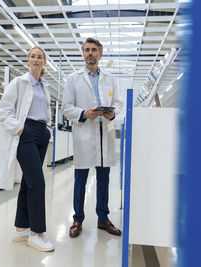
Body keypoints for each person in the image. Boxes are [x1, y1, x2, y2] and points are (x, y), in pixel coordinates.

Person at [62, 37, 124, 238]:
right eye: (87, 50)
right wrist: (83, 113)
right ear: (83, 53)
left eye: (94, 50)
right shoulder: (73, 78)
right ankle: (78, 219)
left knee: (103, 181)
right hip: (85, 134)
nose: (90, 53)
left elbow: (119, 102)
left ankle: (103, 219)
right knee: (80, 180)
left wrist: (112, 113)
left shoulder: (110, 78)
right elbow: (66, 107)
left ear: (100, 54)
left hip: (104, 133)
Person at [0, 46, 54, 252]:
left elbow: (45, 111)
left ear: (45, 62)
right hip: (26, 131)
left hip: (41, 132)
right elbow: (2, 111)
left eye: (40, 57)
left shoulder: (44, 87)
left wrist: (47, 130)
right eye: (33, 56)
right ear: (28, 60)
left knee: (29, 183)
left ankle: (21, 227)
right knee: (38, 182)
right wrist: (20, 129)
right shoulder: (18, 83)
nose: (36, 59)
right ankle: (36, 233)